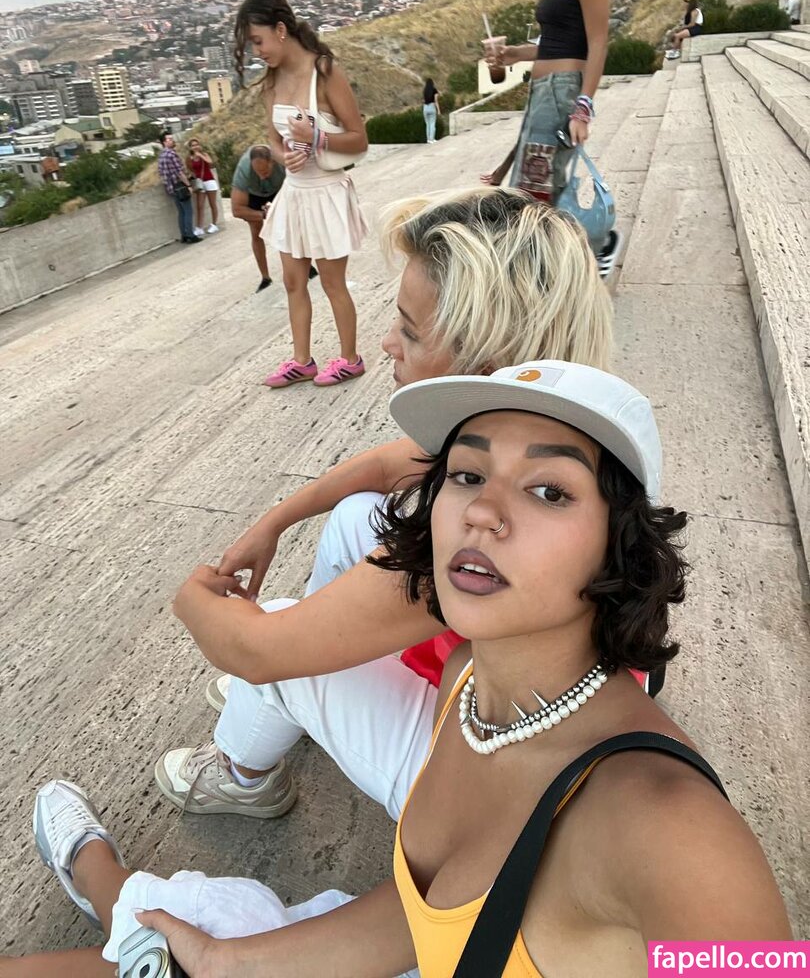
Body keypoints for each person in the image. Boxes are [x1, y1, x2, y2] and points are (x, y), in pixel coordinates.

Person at [8, 361, 792, 976]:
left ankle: (100, 877)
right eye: (467, 474)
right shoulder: (470, 688)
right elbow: (425, 911)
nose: (481, 511)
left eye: (550, 490)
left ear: (620, 547)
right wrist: (225, 964)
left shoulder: (675, 835)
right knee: (184, 947)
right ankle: (116, 891)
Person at [152, 188, 614, 826]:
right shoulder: (550, 439)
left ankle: (242, 777)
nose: (388, 342)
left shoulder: (481, 526)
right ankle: (306, 670)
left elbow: (255, 648)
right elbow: (382, 466)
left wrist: (193, 603)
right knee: (356, 515)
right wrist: (272, 525)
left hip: (492, 802)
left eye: (410, 331)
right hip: (514, 703)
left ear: (484, 367)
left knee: (277, 636)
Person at [234, 0, 369, 389]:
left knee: (331, 283)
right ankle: (302, 361)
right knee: (294, 282)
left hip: (326, 191)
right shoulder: (271, 82)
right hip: (294, 193)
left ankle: (350, 359)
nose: (257, 51)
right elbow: (273, 140)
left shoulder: (324, 71)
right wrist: (283, 156)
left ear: (280, 30)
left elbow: (359, 140)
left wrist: (317, 139)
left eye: (258, 41)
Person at [480, 0, 611, 211]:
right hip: (545, 92)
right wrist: (516, 53)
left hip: (560, 93)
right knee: (534, 199)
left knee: (534, 206)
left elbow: (597, 40)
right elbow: (561, 43)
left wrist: (583, 109)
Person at [230, 144, 286, 292]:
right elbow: (236, 210)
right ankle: (265, 277)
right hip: (253, 193)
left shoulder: (282, 160)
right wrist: (264, 214)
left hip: (279, 189)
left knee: (288, 227)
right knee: (256, 232)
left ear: (272, 162)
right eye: (258, 173)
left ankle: (304, 266)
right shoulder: (244, 170)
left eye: (265, 171)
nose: (262, 177)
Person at [157, 132, 199, 245]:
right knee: (188, 211)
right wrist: (188, 185)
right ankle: (190, 235)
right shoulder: (172, 154)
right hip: (180, 186)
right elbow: (179, 172)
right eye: (169, 139)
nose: (172, 140)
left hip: (171, 188)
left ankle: (184, 235)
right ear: (164, 142)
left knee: (181, 212)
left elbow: (161, 174)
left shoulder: (161, 156)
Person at [185, 138, 220, 236]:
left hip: (209, 181)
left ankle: (214, 224)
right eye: (193, 145)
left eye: (197, 144)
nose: (195, 147)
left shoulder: (204, 154)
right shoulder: (189, 158)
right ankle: (199, 227)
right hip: (200, 183)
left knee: (212, 204)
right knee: (200, 206)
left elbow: (210, 162)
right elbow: (190, 169)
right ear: (190, 147)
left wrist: (200, 155)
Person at [422, 78, 441, 144]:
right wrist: (438, 110)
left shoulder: (424, 90)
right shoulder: (434, 90)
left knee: (427, 124)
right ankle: (432, 139)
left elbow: (423, 100)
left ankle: (428, 139)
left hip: (425, 107)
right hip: (432, 106)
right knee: (432, 124)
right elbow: (436, 101)